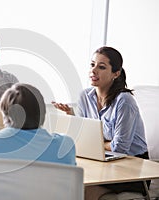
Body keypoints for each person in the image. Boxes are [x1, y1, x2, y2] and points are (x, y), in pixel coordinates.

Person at [52, 46, 149, 199]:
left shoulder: (124, 101)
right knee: (63, 182)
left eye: (101, 67)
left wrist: (95, 144)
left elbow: (120, 147)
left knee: (82, 189)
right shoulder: (85, 96)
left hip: (133, 166)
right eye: (92, 65)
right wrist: (72, 117)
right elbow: (83, 138)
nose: (94, 70)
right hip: (104, 161)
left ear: (116, 74)